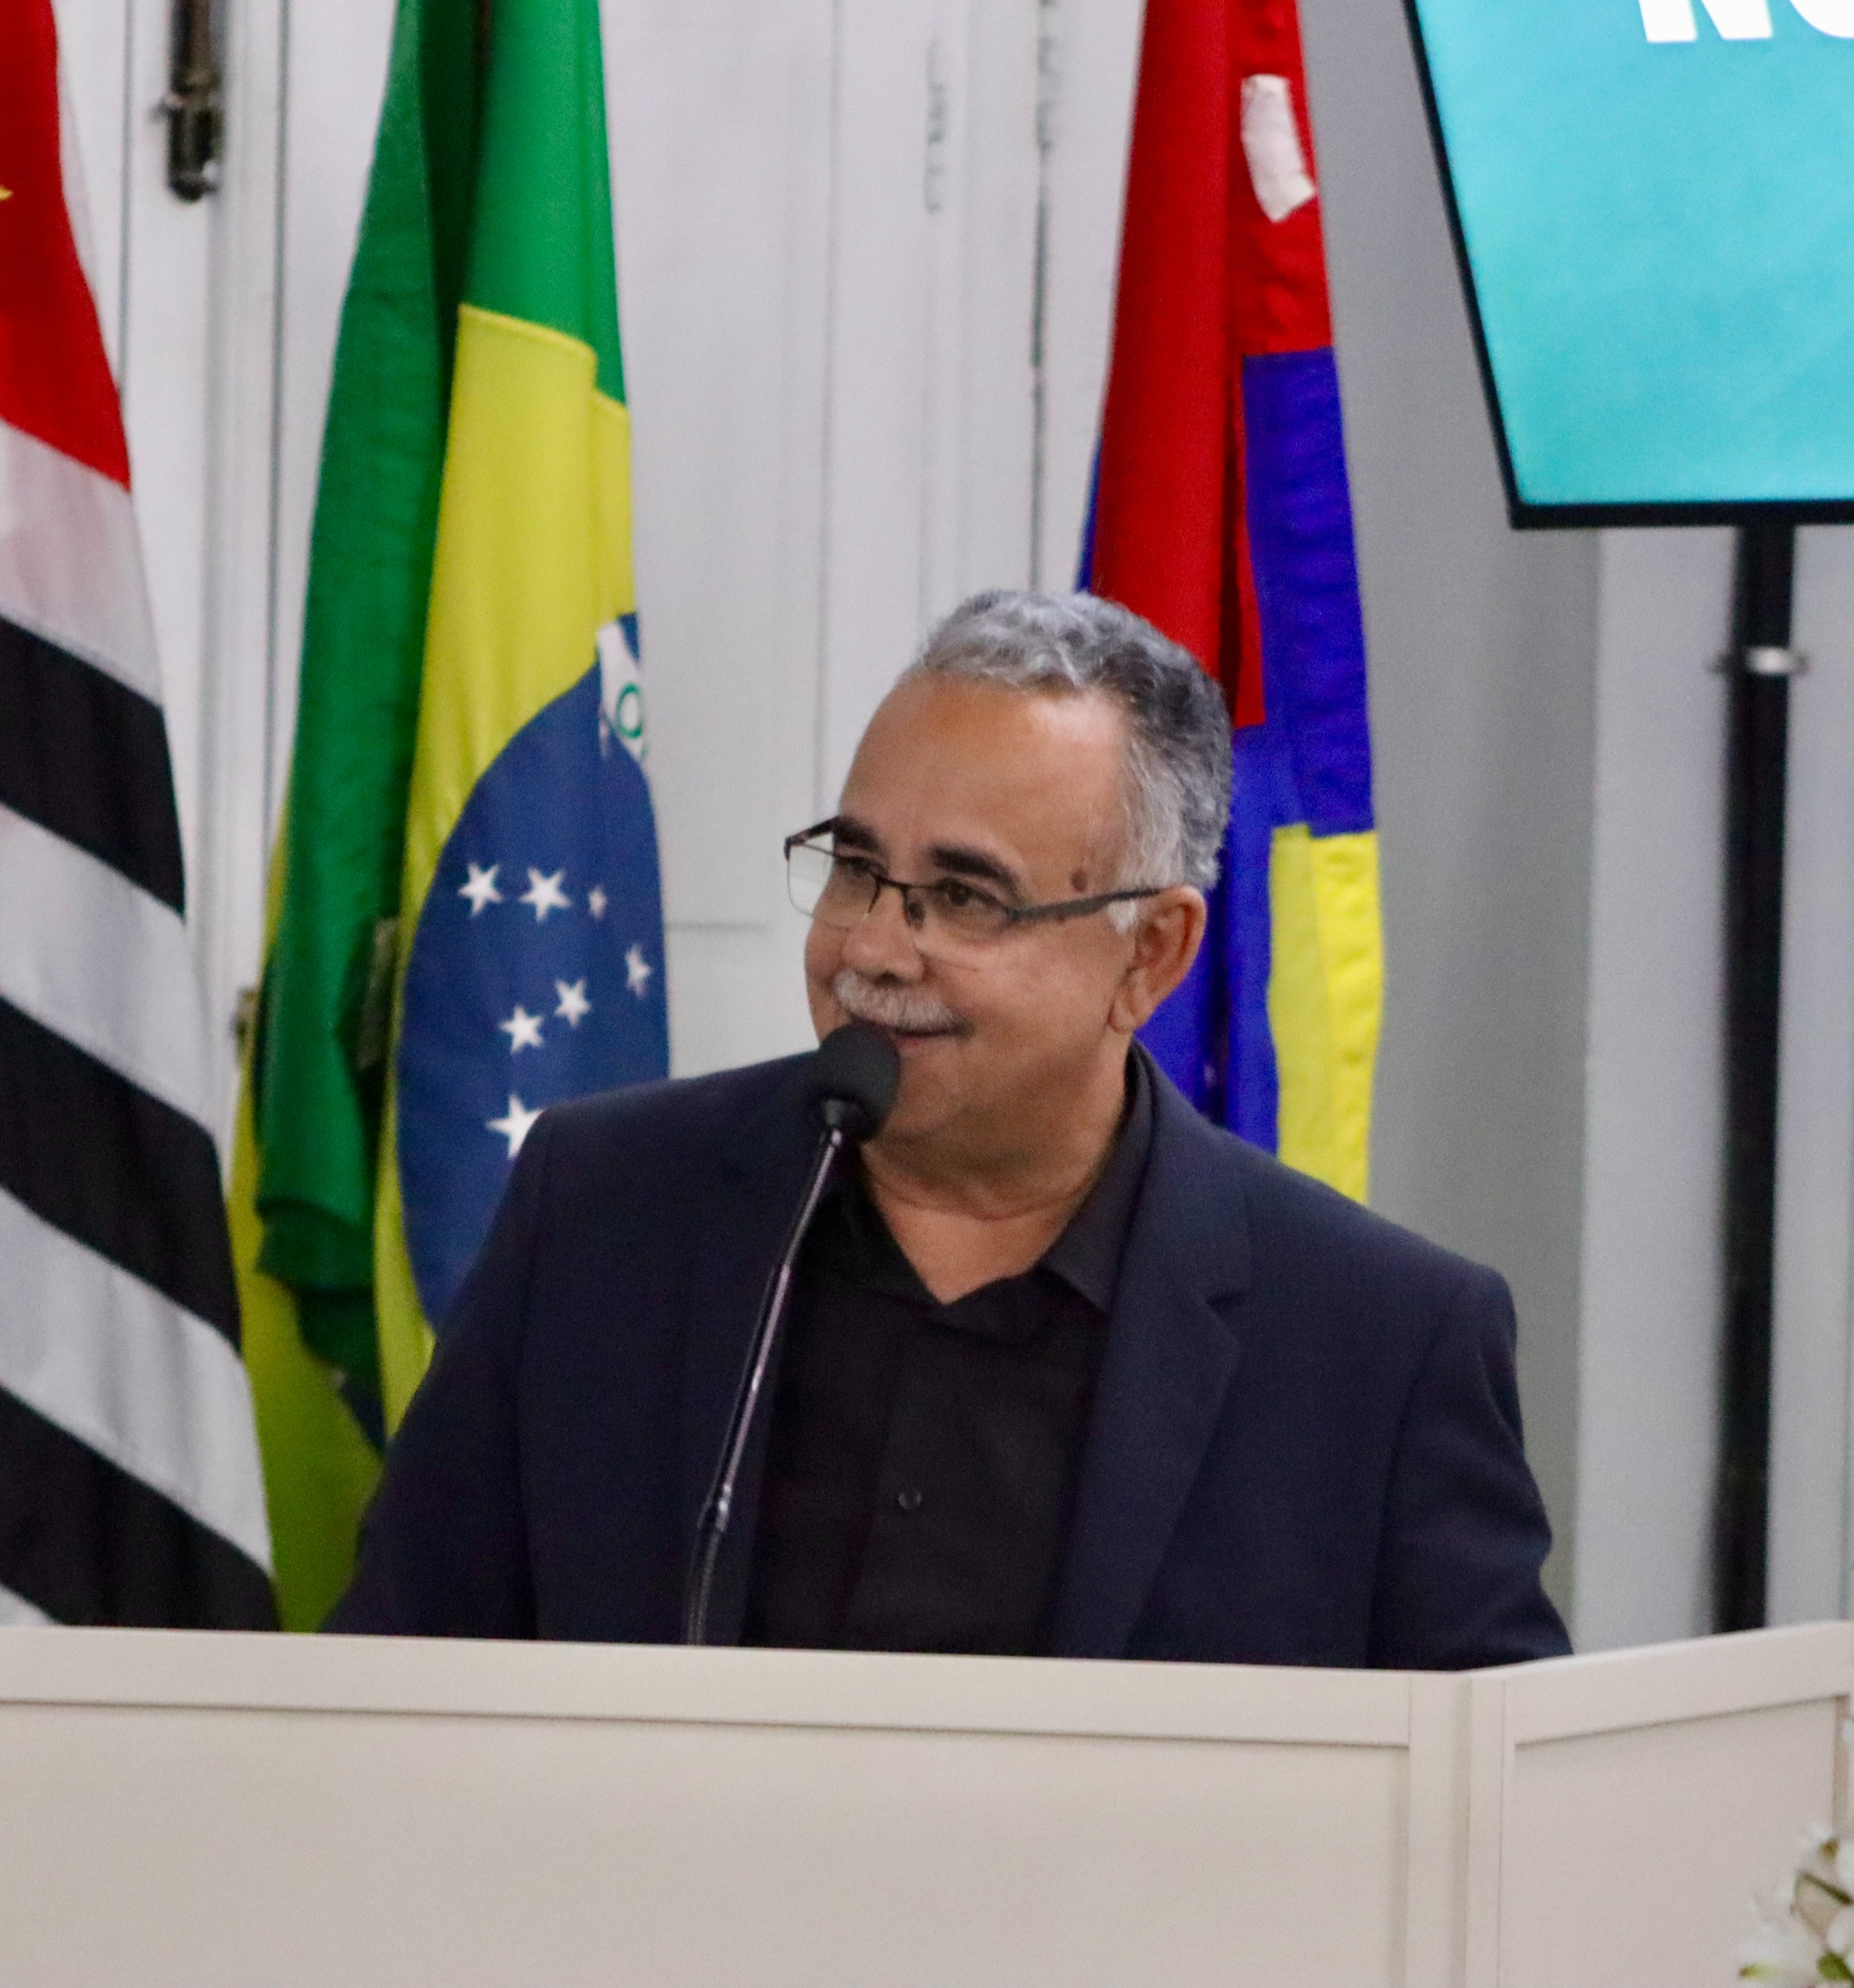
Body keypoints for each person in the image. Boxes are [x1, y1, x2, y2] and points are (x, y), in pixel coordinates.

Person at [331, 590, 1570, 1669]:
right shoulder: (602, 1214)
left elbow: (1495, 1809)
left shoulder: (1379, 1346)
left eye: (966, 897)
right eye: (854, 866)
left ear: (1151, 954)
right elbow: (394, 1679)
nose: (872, 947)